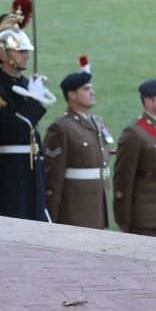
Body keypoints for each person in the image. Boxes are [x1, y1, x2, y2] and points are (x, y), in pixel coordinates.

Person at [0, 0, 56, 220]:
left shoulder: (23, 83)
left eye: (26, 51)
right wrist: (34, 103)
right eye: (20, 51)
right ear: (3, 54)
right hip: (10, 168)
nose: (26, 56)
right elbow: (10, 130)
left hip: (31, 166)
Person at [112, 71, 156, 239]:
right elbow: (123, 178)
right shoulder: (134, 133)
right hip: (146, 217)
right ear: (148, 102)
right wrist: (124, 219)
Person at [43, 63, 112, 229]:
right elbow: (53, 174)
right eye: (87, 89)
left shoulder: (98, 121)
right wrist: (52, 211)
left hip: (98, 202)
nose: (92, 92)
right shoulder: (62, 127)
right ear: (72, 95)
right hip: (75, 207)